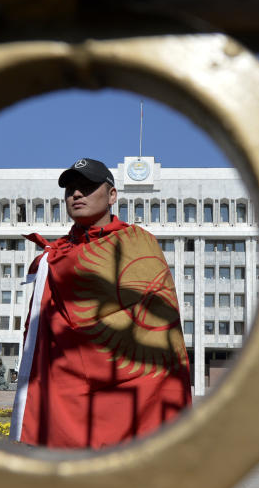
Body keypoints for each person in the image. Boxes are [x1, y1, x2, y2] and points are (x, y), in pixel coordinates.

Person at [10, 158, 192, 448]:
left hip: (125, 388)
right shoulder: (55, 253)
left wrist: (80, 345)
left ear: (112, 195)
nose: (76, 194)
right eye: (70, 189)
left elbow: (157, 316)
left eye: (87, 187)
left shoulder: (136, 242)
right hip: (62, 390)